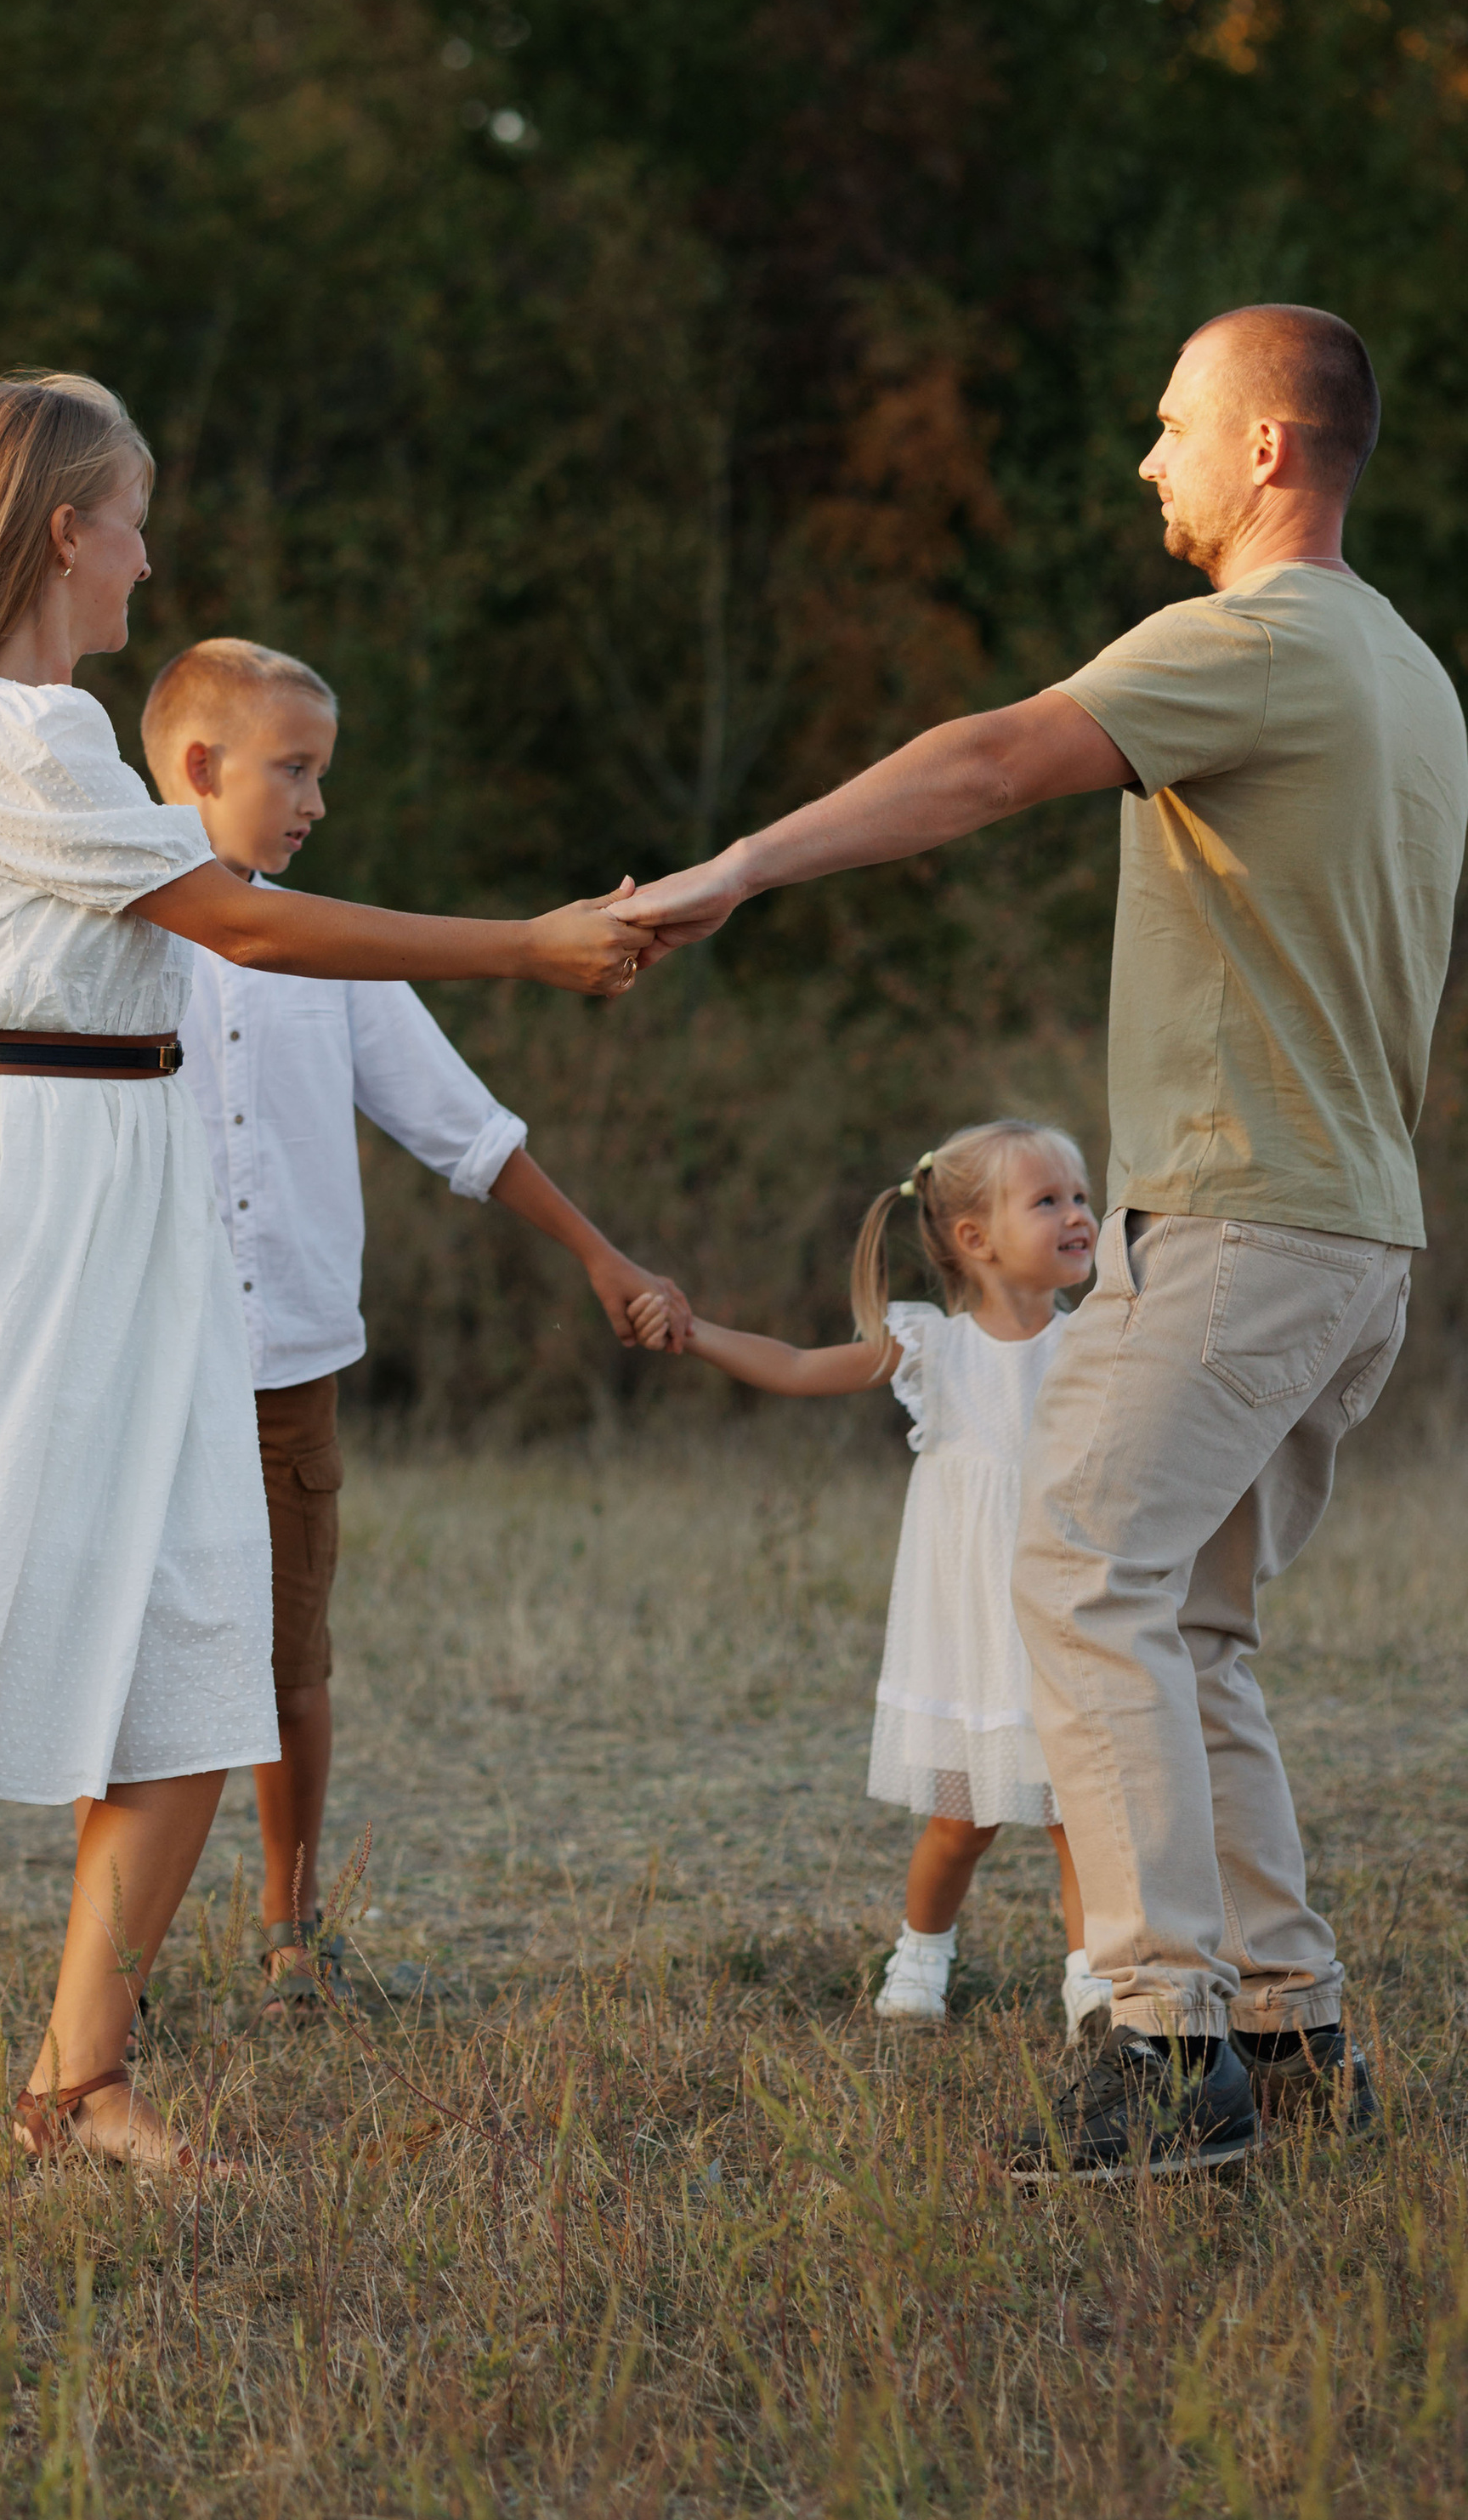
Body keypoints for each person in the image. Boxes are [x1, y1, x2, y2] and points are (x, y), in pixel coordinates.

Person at [0, 372, 646, 2171]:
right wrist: (523, 949)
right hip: (21, 1213)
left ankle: (79, 2079)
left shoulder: (43, 728)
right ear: (65, 527)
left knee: (197, 1649)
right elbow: (230, 917)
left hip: (120, 1198)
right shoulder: (16, 737)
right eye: (133, 518)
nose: (150, 557)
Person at [619, 304, 1468, 2180]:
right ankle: (1286, 2027)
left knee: (1077, 1570)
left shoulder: (1250, 639)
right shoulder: (1409, 669)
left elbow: (989, 758)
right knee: (1196, 1626)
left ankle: (1160, 2050)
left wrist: (739, 864)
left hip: (1242, 1222)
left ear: (1265, 448)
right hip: (1356, 1243)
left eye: (1169, 426)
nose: (1142, 460)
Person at [137, 635, 689, 2013]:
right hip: (143, 1367)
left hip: (290, 1370)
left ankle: (290, 1926)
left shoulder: (342, 955)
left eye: (327, 772)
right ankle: (117, 1965)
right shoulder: (113, 934)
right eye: (296, 770)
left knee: (289, 1660)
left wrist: (598, 1253)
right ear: (198, 768)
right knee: (129, 1667)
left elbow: (462, 1129)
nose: (319, 801)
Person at [629, 1120, 1110, 2042]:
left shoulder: (1094, 1343)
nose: (1077, 1214)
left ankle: (1090, 1983)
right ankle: (922, 1953)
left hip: (1063, 1609)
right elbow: (800, 1366)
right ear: (974, 1238)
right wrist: (695, 1335)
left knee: (1076, 1815)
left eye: (1081, 1195)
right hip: (973, 1622)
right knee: (959, 1824)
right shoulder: (933, 1349)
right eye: (1047, 1200)